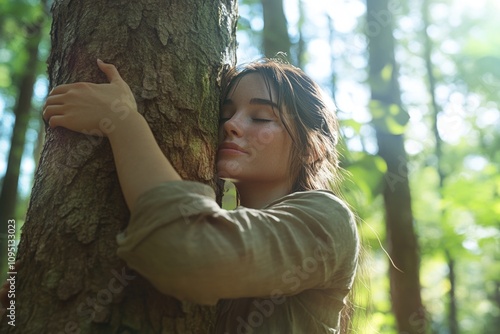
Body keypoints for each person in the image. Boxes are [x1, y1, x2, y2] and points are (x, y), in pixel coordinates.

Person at [1, 58, 359, 333]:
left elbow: (188, 251)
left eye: (261, 117)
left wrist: (123, 121)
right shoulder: (223, 217)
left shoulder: (327, 217)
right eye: (226, 113)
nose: (231, 125)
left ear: (314, 148)